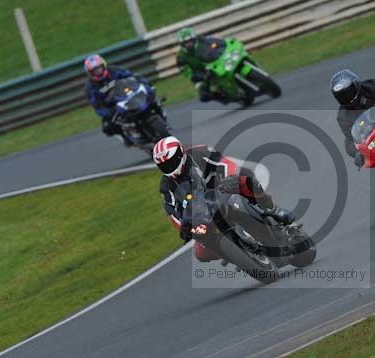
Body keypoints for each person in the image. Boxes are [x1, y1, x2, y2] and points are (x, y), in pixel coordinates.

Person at [153, 136, 294, 262]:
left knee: (245, 181)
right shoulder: (166, 186)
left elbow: (225, 163)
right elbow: (172, 212)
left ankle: (273, 210)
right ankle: (235, 255)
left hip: (224, 190)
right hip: (203, 214)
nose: (169, 167)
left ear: (181, 153)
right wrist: (184, 227)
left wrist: (229, 178)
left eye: (171, 162)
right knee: (200, 253)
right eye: (164, 166)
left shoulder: (199, 153)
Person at [84, 54, 151, 146]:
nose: (98, 71)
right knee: (107, 127)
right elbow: (97, 106)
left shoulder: (114, 70)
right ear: (90, 73)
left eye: (99, 68)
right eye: (95, 70)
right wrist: (108, 112)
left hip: (129, 94)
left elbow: (132, 75)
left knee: (149, 93)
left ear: (104, 65)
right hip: (114, 105)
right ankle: (126, 137)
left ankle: (158, 108)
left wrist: (144, 83)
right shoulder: (90, 87)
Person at [176, 27, 231, 103]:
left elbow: (216, 42)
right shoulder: (181, 57)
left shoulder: (202, 40)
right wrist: (197, 76)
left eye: (190, 41)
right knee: (203, 95)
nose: (189, 44)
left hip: (215, 62)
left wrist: (224, 44)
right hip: (202, 74)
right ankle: (222, 97)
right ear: (182, 44)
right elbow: (186, 72)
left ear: (194, 39)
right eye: (186, 42)